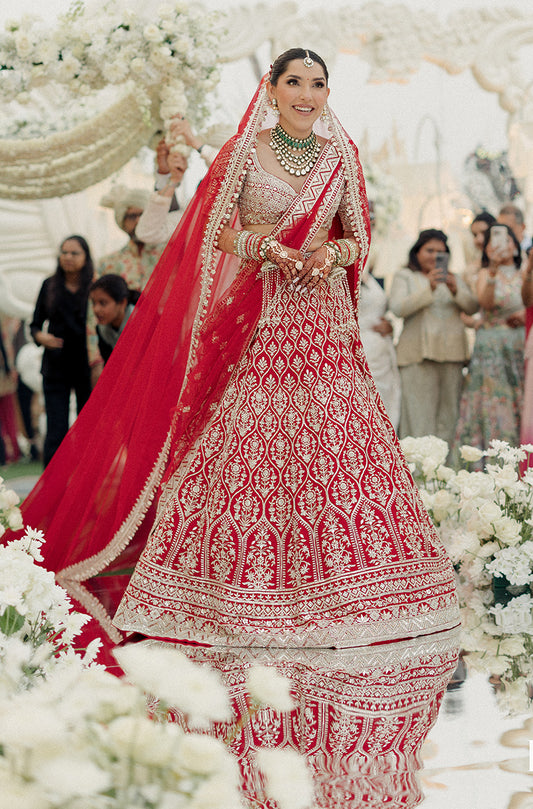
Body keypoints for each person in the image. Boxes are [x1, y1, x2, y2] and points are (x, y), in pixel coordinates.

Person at [16, 49, 459, 658]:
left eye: (318, 84)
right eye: (295, 82)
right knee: (254, 448)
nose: (307, 94)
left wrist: (328, 256)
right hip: (260, 322)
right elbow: (211, 228)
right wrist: (265, 248)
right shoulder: (244, 152)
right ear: (271, 89)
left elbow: (357, 239)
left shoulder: (340, 157)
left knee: (335, 448)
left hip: (324, 328)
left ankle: (351, 585)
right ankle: (234, 589)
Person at [389, 229, 478, 448]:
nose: (434, 255)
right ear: (417, 252)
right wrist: (428, 287)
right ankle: (417, 475)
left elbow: (473, 307)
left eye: (441, 251)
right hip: (417, 356)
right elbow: (398, 308)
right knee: (418, 418)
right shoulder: (405, 276)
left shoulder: (454, 278)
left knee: (449, 416)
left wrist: (455, 289)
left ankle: (445, 474)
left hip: (452, 356)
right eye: (430, 250)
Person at [454, 222, 525, 457]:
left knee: (521, 399)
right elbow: (484, 304)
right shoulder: (485, 273)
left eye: (508, 239)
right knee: (493, 402)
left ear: (515, 244)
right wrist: (493, 270)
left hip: (518, 344)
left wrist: (525, 315)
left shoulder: (525, 272)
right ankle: (493, 456)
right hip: (491, 347)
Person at [30, 236, 93, 467]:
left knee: (88, 429)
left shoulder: (93, 285)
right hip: (55, 366)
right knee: (56, 432)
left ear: (86, 257)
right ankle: (52, 490)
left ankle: (84, 485)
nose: (67, 257)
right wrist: (40, 337)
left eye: (74, 253)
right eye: (64, 252)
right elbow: (34, 325)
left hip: (86, 365)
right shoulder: (49, 285)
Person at [358, 266, 401, 430]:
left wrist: (390, 326)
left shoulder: (372, 276)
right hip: (359, 348)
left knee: (386, 403)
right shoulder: (340, 274)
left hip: (382, 350)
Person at [97, 186, 163, 291]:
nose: (138, 221)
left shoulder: (174, 255)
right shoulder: (107, 264)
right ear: (123, 221)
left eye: (143, 215)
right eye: (132, 216)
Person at [89, 275, 140, 364]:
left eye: (103, 303)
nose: (96, 309)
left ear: (122, 303)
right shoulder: (102, 329)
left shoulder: (142, 324)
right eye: (94, 303)